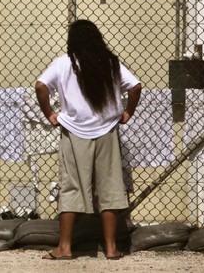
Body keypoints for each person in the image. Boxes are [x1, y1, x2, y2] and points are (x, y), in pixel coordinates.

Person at [35, 19, 142, 261]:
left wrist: (49, 114)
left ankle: (64, 247)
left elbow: (41, 86)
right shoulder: (111, 63)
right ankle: (112, 248)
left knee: (71, 185)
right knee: (110, 186)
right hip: (107, 130)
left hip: (73, 132)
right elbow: (135, 87)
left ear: (72, 42)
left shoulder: (63, 64)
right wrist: (128, 112)